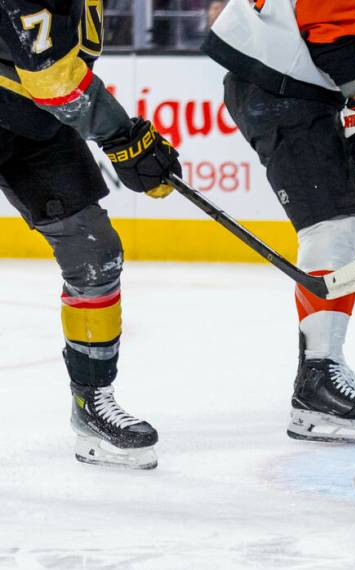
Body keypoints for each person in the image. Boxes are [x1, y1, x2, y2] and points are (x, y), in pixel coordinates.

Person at [203, 0, 355, 443]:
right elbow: (327, 21)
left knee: (353, 228)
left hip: (288, 83)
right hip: (278, 87)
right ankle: (316, 384)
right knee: (333, 229)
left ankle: (323, 361)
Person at [0, 0, 183, 468]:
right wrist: (122, 137)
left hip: (31, 122)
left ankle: (91, 405)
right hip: (35, 98)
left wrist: (123, 138)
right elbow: (52, 76)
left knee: (94, 254)